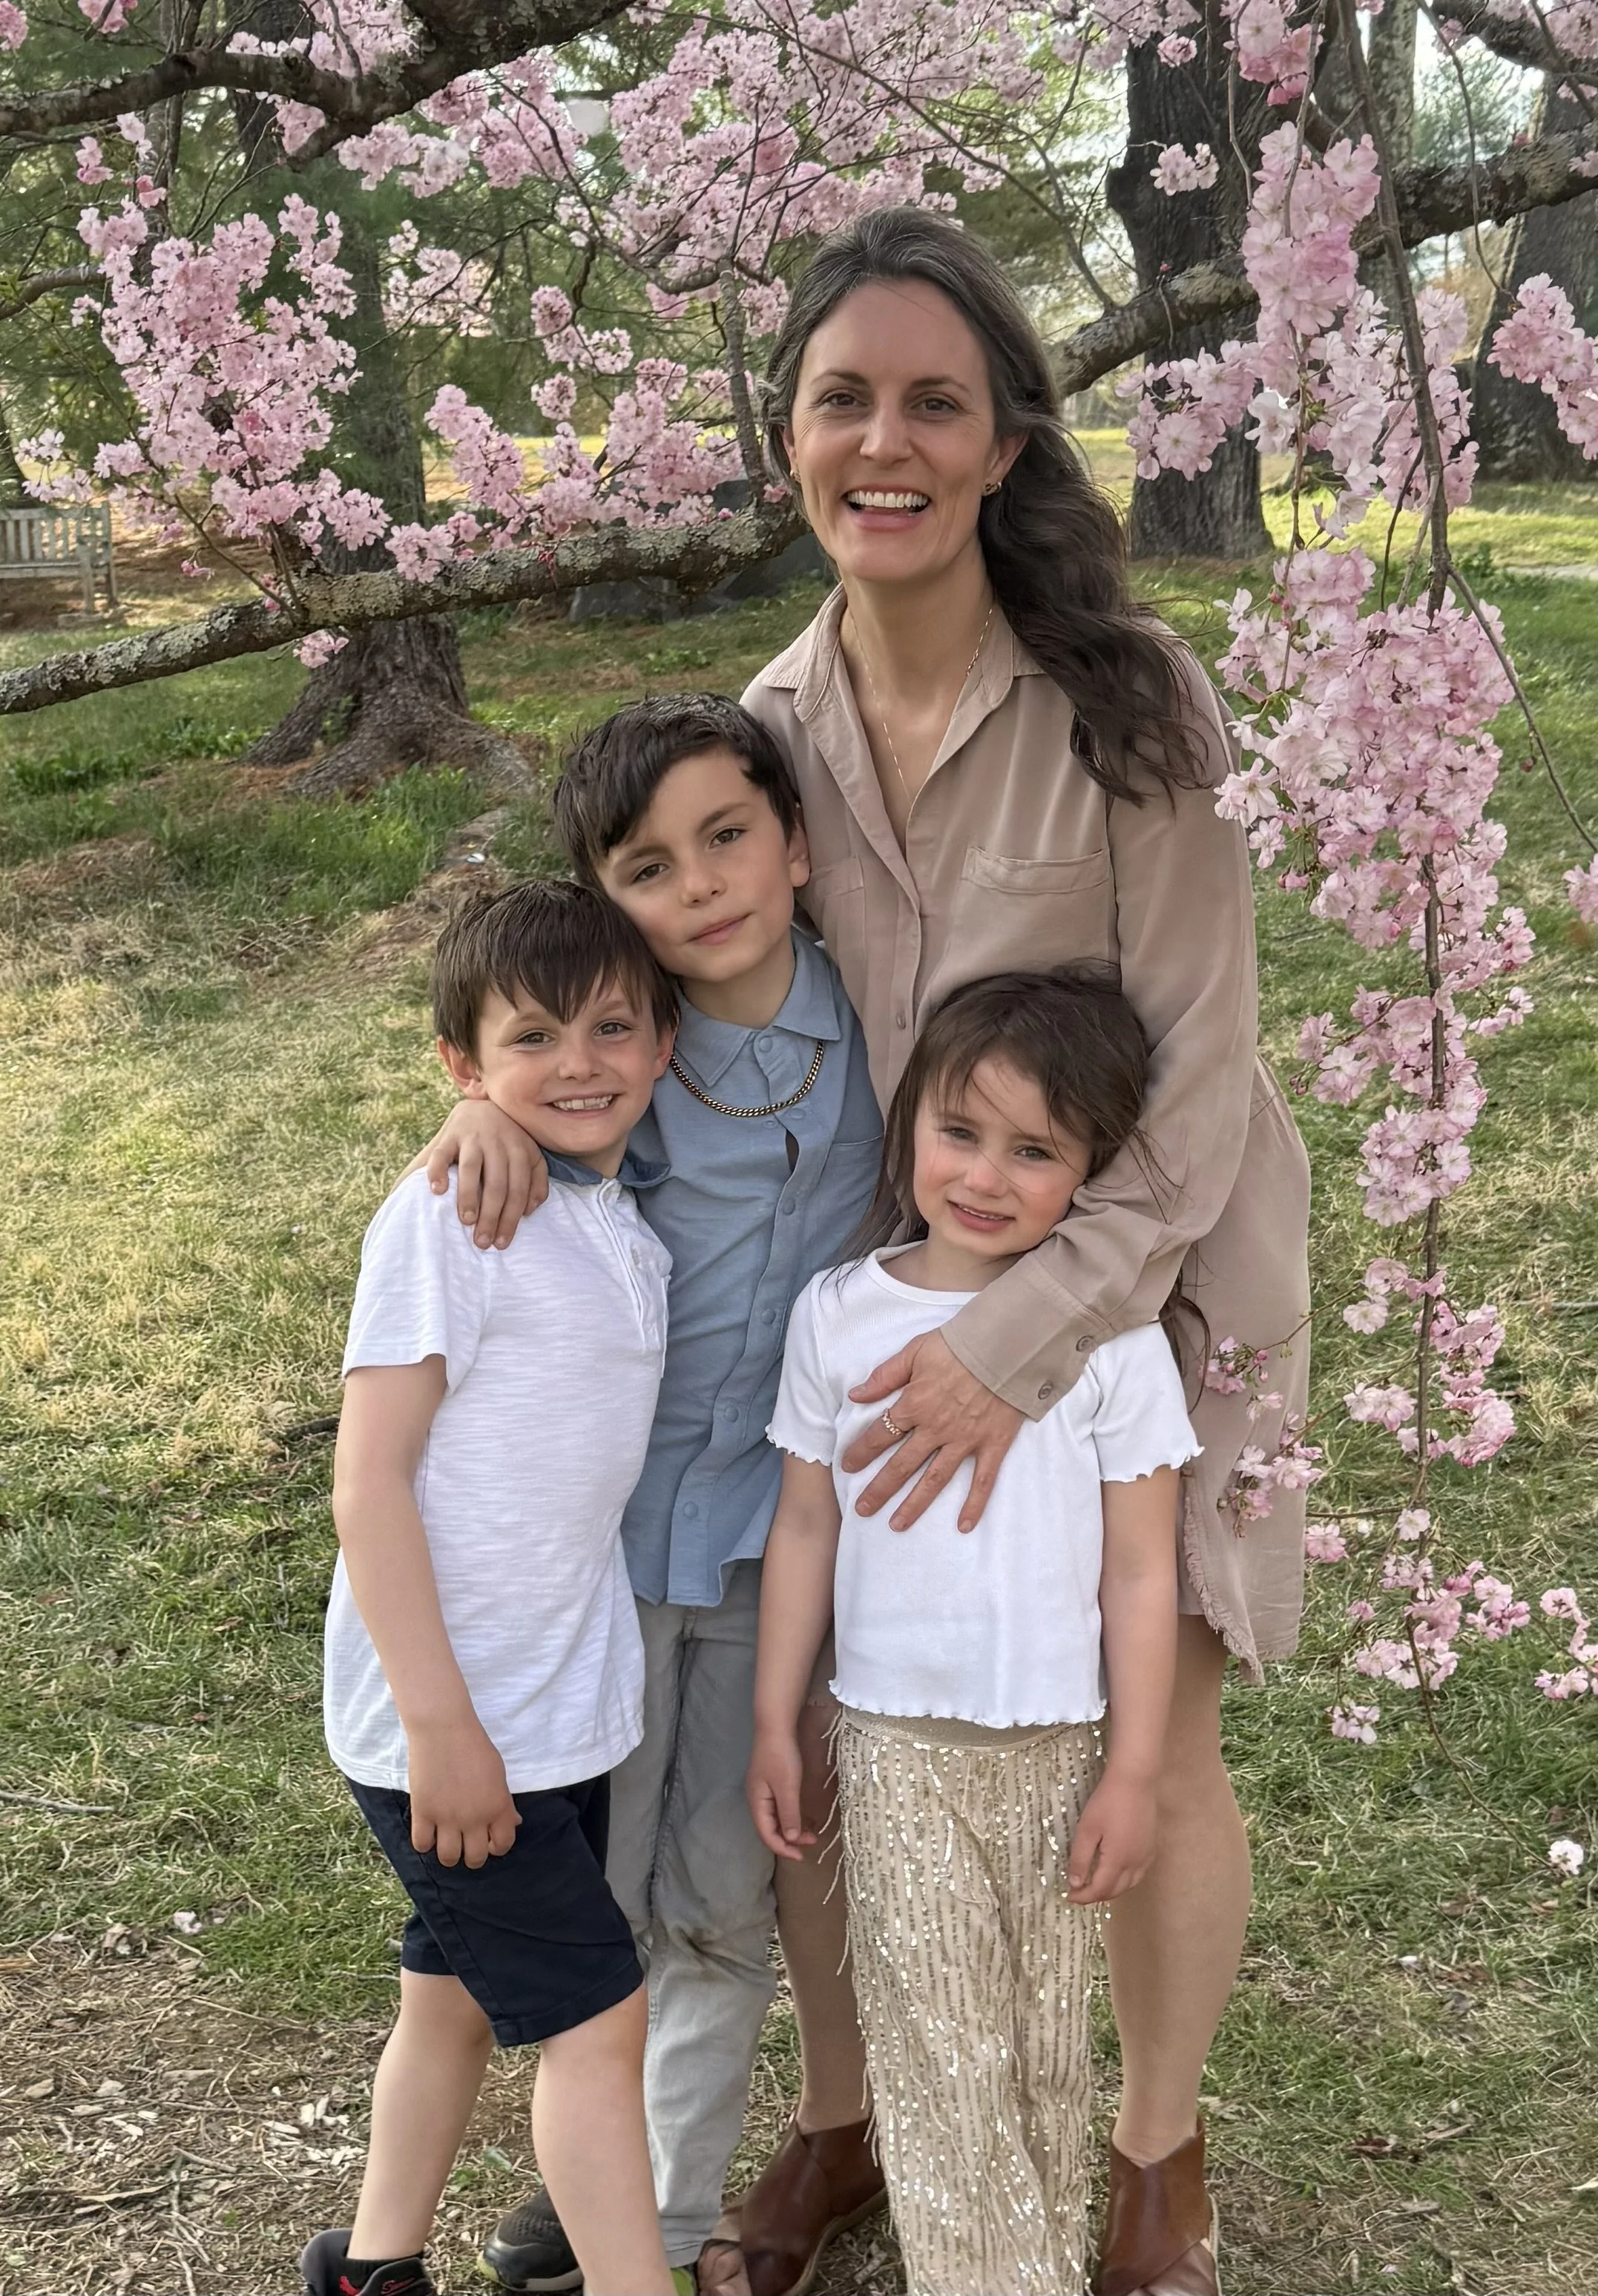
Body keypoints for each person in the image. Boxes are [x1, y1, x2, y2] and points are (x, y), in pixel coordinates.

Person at [443, 208, 1312, 2296]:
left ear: (1009, 436)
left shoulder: (1132, 702)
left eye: (939, 399)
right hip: (870, 1321)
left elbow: (1200, 1069)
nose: (889, 441)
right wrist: (488, 1090)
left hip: (1146, 1291)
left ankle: (1152, 2157)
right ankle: (845, 2121)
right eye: (846, 400)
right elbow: (627, 985)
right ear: (790, 444)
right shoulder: (762, 729)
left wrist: (1033, 1330)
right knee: (828, 1734)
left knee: (1150, 1738)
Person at [418, 697, 887, 2296]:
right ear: (599, 907)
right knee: (594, 1908)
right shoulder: (603, 1077)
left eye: (727, 835)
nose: (698, 884)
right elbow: (516, 1081)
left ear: (796, 843)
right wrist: (475, 1107)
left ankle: (667, 2211)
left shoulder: (877, 1032)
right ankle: (596, 2176)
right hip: (603, 1561)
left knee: (718, 1892)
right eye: (646, 866)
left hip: (768, 1550)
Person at [748, 971, 1200, 2296]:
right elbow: (805, 1530)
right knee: (937, 2043)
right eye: (961, 1132)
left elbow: (1136, 1571)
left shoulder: (1113, 1345)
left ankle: (1036, 2260)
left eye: (1036, 1149)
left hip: (1057, 1746)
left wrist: (1132, 1768)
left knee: (1039, 2049)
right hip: (894, 1744)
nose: (988, 1176)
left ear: (1092, 1172)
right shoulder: (841, 1313)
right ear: (908, 1134)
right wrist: (781, 1716)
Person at [302, 881, 680, 2296]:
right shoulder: (449, 1216)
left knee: (450, 1997)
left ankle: (372, 2267)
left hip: (561, 1707)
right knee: (600, 2023)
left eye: (612, 1026)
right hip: (451, 1726)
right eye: (534, 1037)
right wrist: (442, 1728)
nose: (578, 1061)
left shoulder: (618, 1222)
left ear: (660, 1048)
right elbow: (369, 1482)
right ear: (464, 1068)